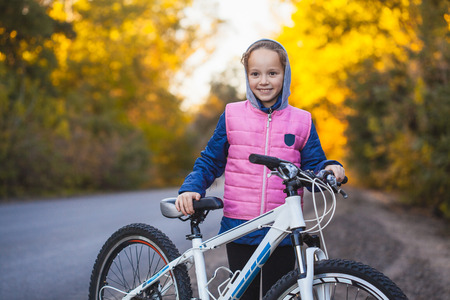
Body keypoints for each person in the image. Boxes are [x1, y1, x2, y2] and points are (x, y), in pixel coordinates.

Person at [176, 39, 345, 299]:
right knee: (246, 295)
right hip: (240, 227)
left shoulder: (302, 121)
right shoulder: (232, 115)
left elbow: (314, 167)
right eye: (255, 74)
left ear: (285, 75)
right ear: (247, 76)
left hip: (284, 230)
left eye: (272, 73)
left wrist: (330, 168)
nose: (263, 81)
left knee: (278, 294)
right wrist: (191, 188)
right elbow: (210, 160)